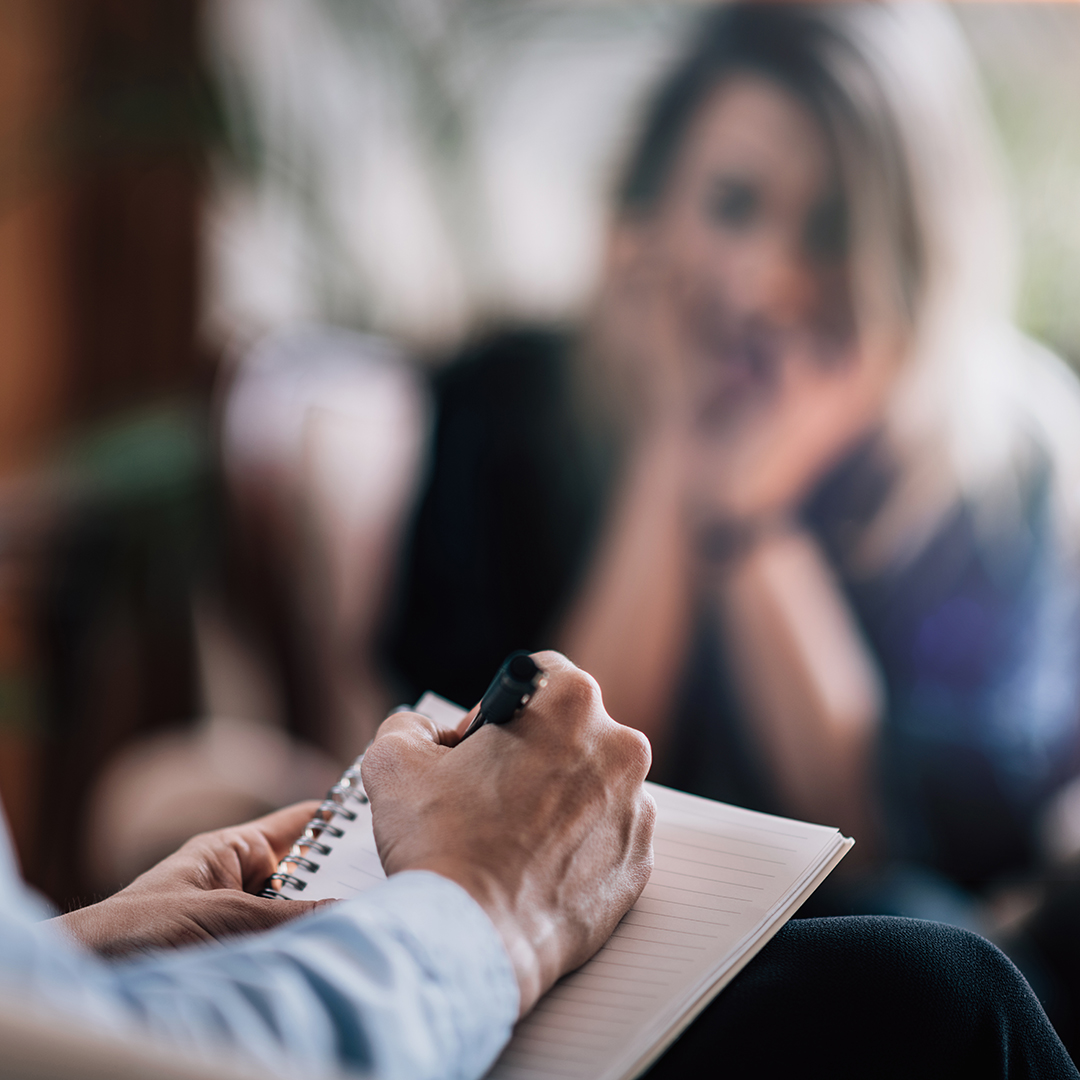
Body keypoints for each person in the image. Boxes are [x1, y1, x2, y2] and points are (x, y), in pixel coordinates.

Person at [384, 3, 1080, 928]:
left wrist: (750, 518)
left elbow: (889, 852)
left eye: (831, 229)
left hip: (853, 944)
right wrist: (674, 448)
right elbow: (520, 817)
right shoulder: (499, 403)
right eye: (733, 204)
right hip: (556, 924)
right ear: (648, 210)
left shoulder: (1001, 467)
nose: (767, 284)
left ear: (909, 259)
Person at [1, 651, 1076, 1078]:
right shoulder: (507, 418)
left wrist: (69, 966)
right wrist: (490, 909)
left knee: (928, 979)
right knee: (936, 1005)